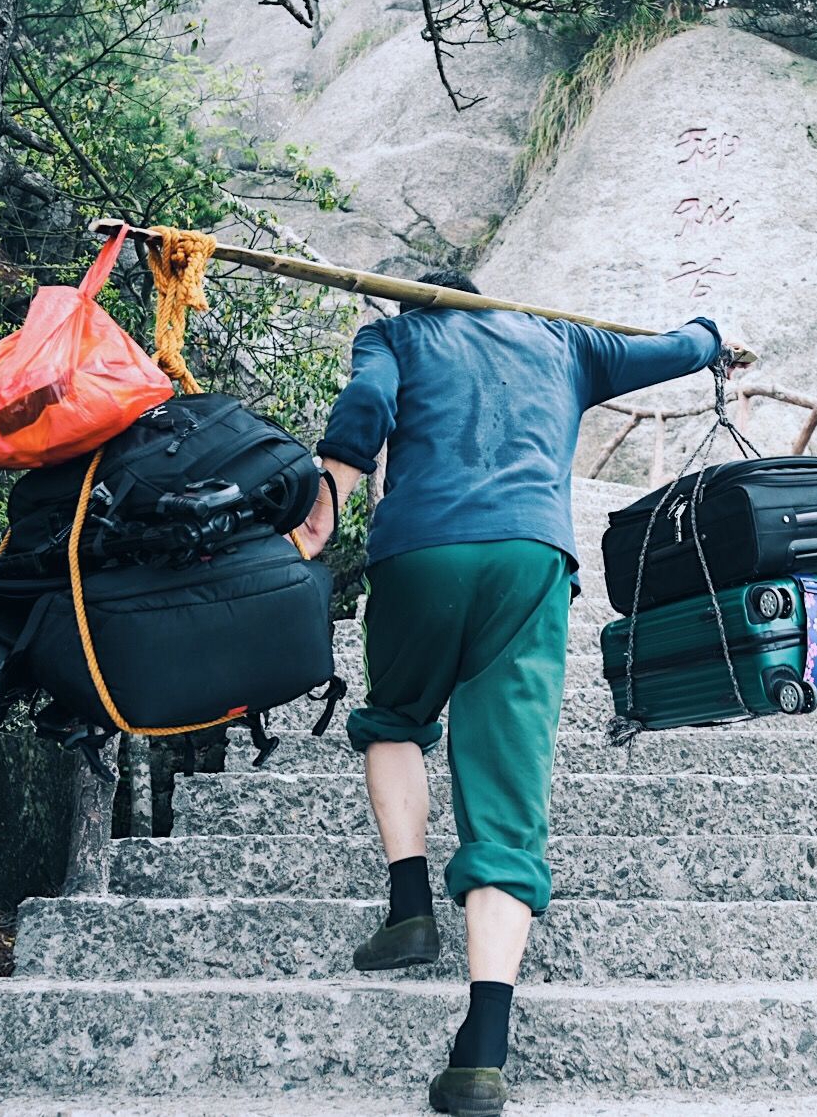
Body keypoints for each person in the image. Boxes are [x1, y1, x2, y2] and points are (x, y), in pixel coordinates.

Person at [293, 270, 743, 1117]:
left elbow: (365, 407)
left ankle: (409, 907)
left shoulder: (394, 336)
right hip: (532, 562)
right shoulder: (564, 338)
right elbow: (675, 348)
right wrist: (713, 336)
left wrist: (328, 505)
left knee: (394, 721)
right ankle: (483, 1050)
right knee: (507, 795)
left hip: (418, 551)